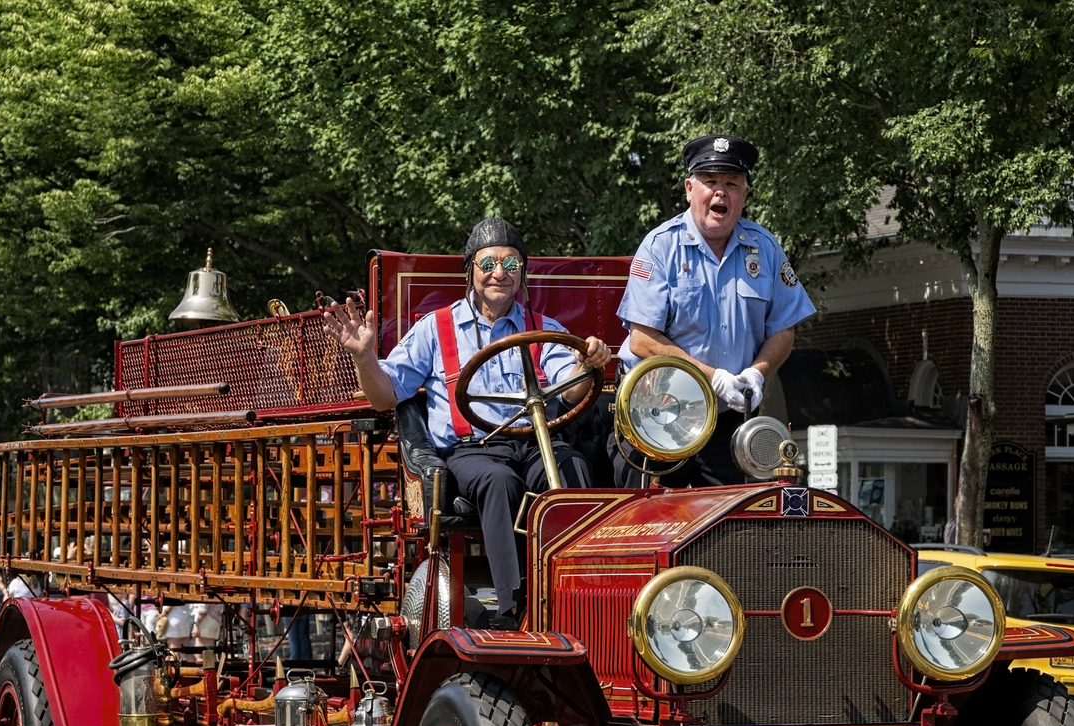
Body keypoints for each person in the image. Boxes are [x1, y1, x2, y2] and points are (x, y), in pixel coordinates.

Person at [323, 216, 613, 626]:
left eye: (511, 265)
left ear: (522, 274)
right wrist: (363, 356)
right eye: (489, 264)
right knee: (499, 482)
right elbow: (385, 394)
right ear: (470, 271)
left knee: (572, 467)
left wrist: (586, 365)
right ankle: (514, 608)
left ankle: (584, 596)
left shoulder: (543, 328)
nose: (500, 273)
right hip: (472, 450)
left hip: (536, 442)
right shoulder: (435, 328)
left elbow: (569, 388)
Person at [611, 134, 816, 486]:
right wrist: (711, 376)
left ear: (745, 194)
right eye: (710, 182)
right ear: (690, 189)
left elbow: (784, 328)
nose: (720, 192)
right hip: (657, 412)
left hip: (730, 414)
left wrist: (757, 374)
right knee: (650, 521)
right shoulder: (660, 246)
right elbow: (642, 340)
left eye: (731, 183)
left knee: (734, 527)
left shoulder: (764, 248)